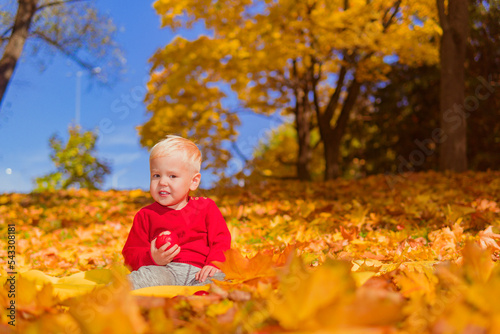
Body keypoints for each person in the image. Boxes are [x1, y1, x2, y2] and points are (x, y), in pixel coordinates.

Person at [122, 135, 231, 290]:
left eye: (172, 176)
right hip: (164, 271)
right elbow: (130, 253)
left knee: (222, 282)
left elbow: (221, 240)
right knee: (140, 279)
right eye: (156, 175)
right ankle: (103, 297)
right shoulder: (145, 215)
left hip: (202, 272)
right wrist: (151, 257)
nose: (162, 182)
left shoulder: (206, 207)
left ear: (193, 182)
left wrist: (215, 263)